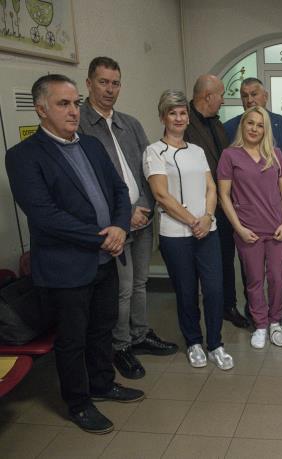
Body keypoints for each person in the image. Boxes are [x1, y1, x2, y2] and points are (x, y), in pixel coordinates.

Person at [5, 74, 143, 434]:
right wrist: (102, 237)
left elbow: (118, 190)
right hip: (66, 267)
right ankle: (79, 403)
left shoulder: (91, 145)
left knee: (102, 327)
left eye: (75, 103)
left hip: (105, 259)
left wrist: (119, 226)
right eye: (63, 104)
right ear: (41, 109)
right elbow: (44, 215)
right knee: (72, 339)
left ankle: (102, 383)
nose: (73, 111)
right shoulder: (23, 156)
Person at [78, 56, 178, 380]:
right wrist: (124, 215)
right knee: (121, 290)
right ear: (89, 83)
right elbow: (87, 182)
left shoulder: (130, 124)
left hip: (143, 219)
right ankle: (120, 346)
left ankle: (140, 333)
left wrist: (145, 205)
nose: (110, 89)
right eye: (103, 82)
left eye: (115, 83)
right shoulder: (80, 125)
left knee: (139, 284)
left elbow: (149, 168)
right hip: (113, 226)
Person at [143, 90, 233, 371]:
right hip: (176, 235)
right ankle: (194, 342)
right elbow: (162, 195)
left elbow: (211, 188)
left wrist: (207, 217)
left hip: (208, 231)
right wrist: (193, 221)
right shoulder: (154, 152)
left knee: (214, 289)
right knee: (186, 291)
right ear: (163, 117)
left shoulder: (197, 151)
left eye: (183, 113)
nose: (179, 118)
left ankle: (215, 344)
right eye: (173, 113)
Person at [217, 106, 282, 349]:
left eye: (260, 125)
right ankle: (260, 325)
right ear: (243, 124)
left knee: (278, 278)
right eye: (250, 123)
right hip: (248, 230)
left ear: (265, 130)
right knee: (255, 280)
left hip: (277, 228)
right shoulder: (230, 156)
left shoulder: (275, 154)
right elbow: (224, 195)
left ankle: (275, 321)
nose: (254, 129)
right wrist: (238, 228)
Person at [185, 74, 249, 329]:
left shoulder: (217, 124)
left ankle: (228, 306)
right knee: (201, 267)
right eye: (221, 95)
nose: (223, 100)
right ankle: (203, 315)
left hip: (223, 205)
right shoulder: (184, 123)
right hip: (196, 209)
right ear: (208, 96)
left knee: (225, 258)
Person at [223, 77, 282, 174]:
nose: (249, 100)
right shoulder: (229, 128)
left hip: (281, 182)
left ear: (266, 96)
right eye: (245, 96)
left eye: (254, 94)